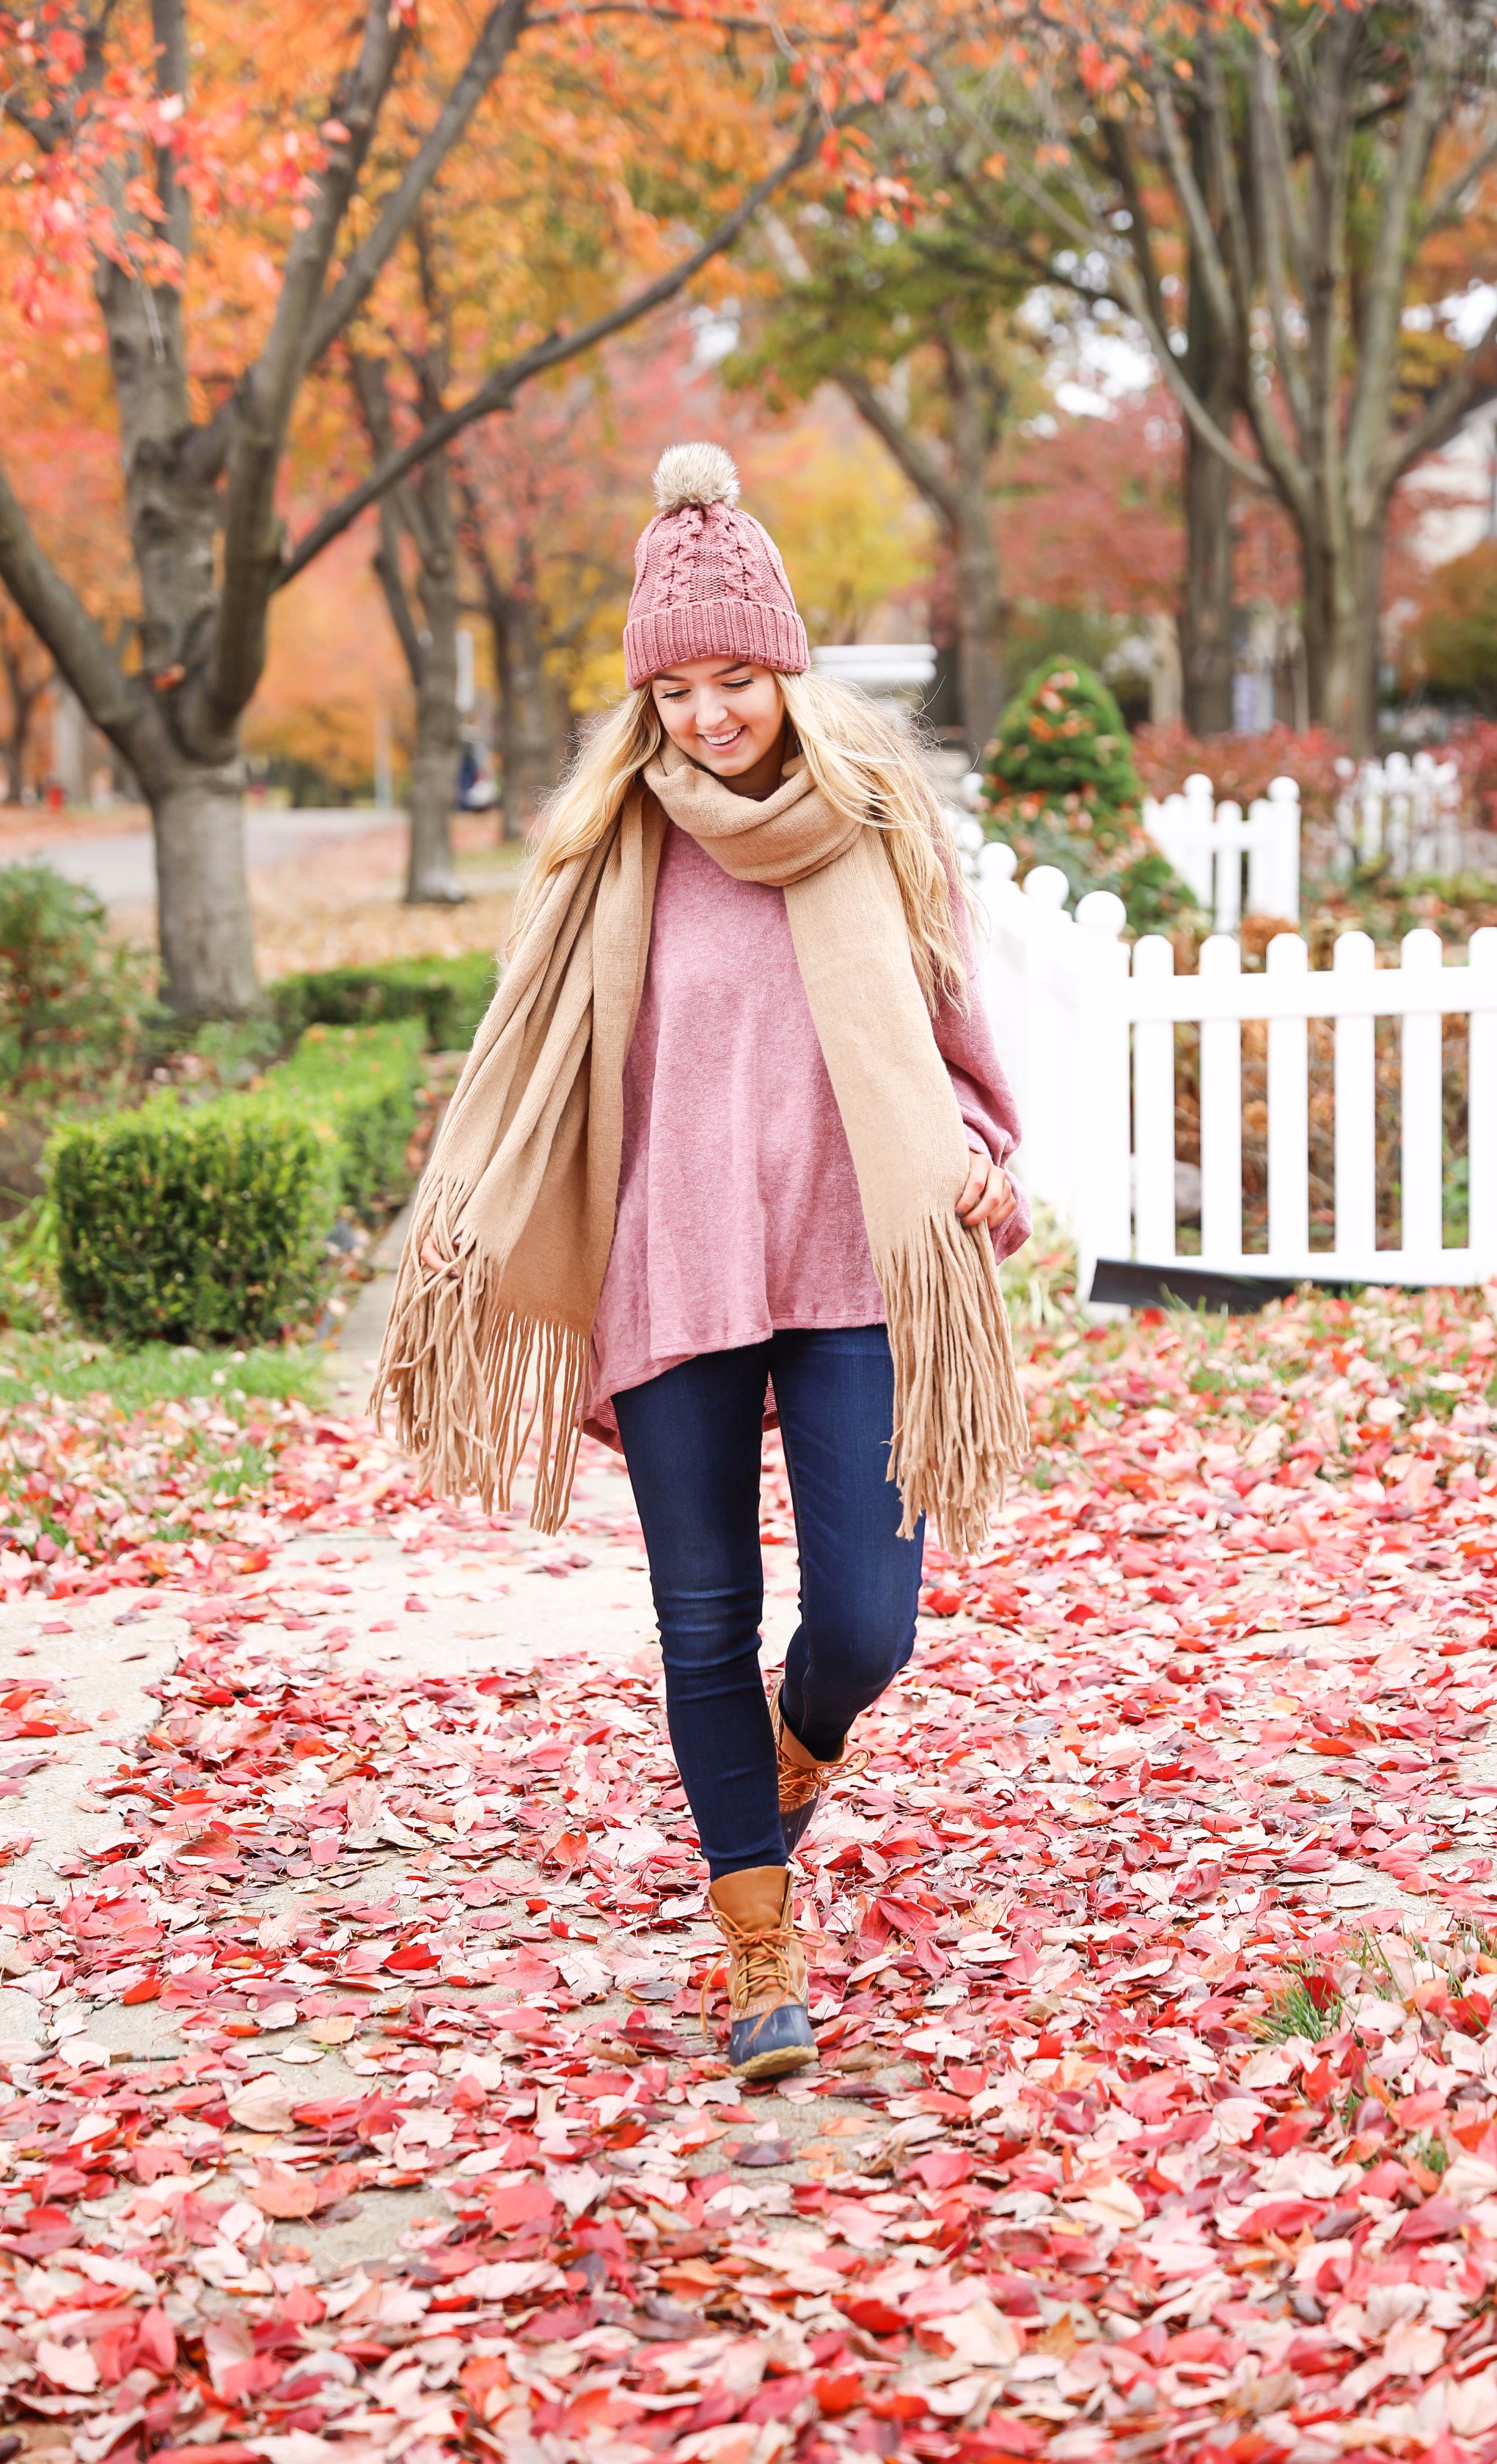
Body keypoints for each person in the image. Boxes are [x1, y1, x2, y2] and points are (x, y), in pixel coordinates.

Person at [376, 442, 1030, 2079]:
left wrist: (981, 1163)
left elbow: (959, 1055)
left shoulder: (878, 830)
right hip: (671, 1272)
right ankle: (759, 1947)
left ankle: (792, 1750)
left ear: (787, 673)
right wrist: (477, 1209)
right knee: (698, 1620)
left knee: (871, 1623)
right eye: (675, 690)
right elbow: (527, 1057)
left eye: (735, 681)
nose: (706, 719)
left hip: (855, 1267)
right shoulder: (610, 846)